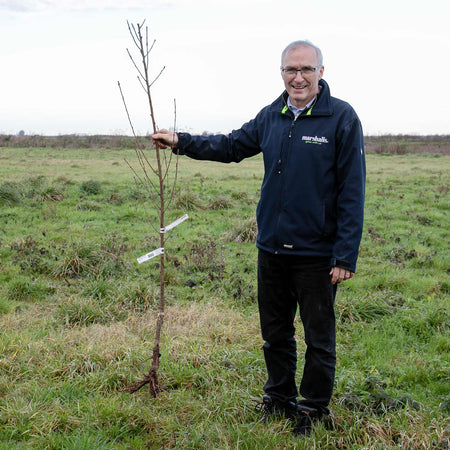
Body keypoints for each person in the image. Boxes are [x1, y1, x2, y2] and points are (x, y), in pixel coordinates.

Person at [153, 40, 366, 436]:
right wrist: (182, 142)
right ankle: (279, 399)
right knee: (275, 333)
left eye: (306, 69)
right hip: (271, 247)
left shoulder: (341, 118)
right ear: (281, 73)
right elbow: (231, 145)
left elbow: (353, 190)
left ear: (321, 71)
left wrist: (344, 255)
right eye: (290, 70)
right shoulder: (272, 115)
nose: (298, 77)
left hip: (317, 253)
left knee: (319, 338)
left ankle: (312, 410)